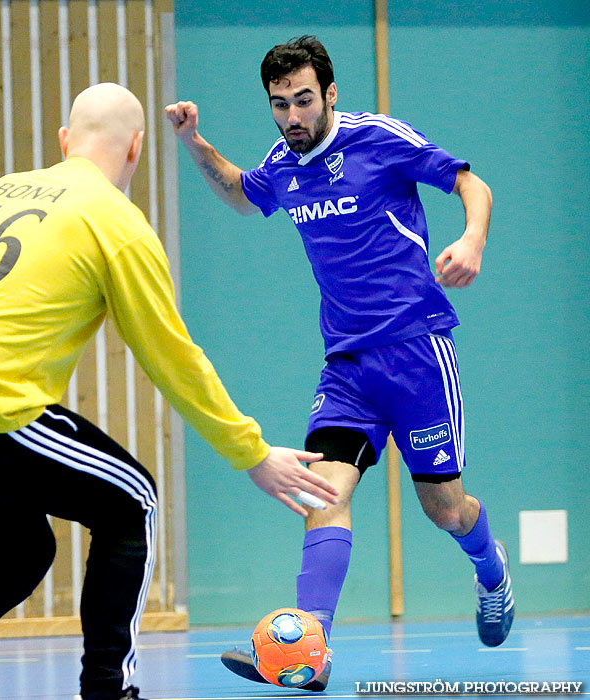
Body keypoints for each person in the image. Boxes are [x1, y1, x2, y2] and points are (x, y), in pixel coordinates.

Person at [0, 82, 339, 700]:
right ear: (136, 148)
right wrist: (250, 451)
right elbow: (170, 356)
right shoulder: (115, 221)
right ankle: (109, 692)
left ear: (64, 142)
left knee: (19, 556)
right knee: (133, 499)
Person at [166, 35, 514, 690]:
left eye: (303, 100)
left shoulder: (378, 139)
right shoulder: (283, 162)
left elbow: (471, 184)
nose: (292, 117)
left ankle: (490, 569)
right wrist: (193, 142)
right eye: (279, 105)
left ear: (329, 94)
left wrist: (471, 239)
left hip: (417, 352)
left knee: (444, 509)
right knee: (320, 492)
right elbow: (246, 194)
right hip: (347, 365)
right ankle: (312, 648)